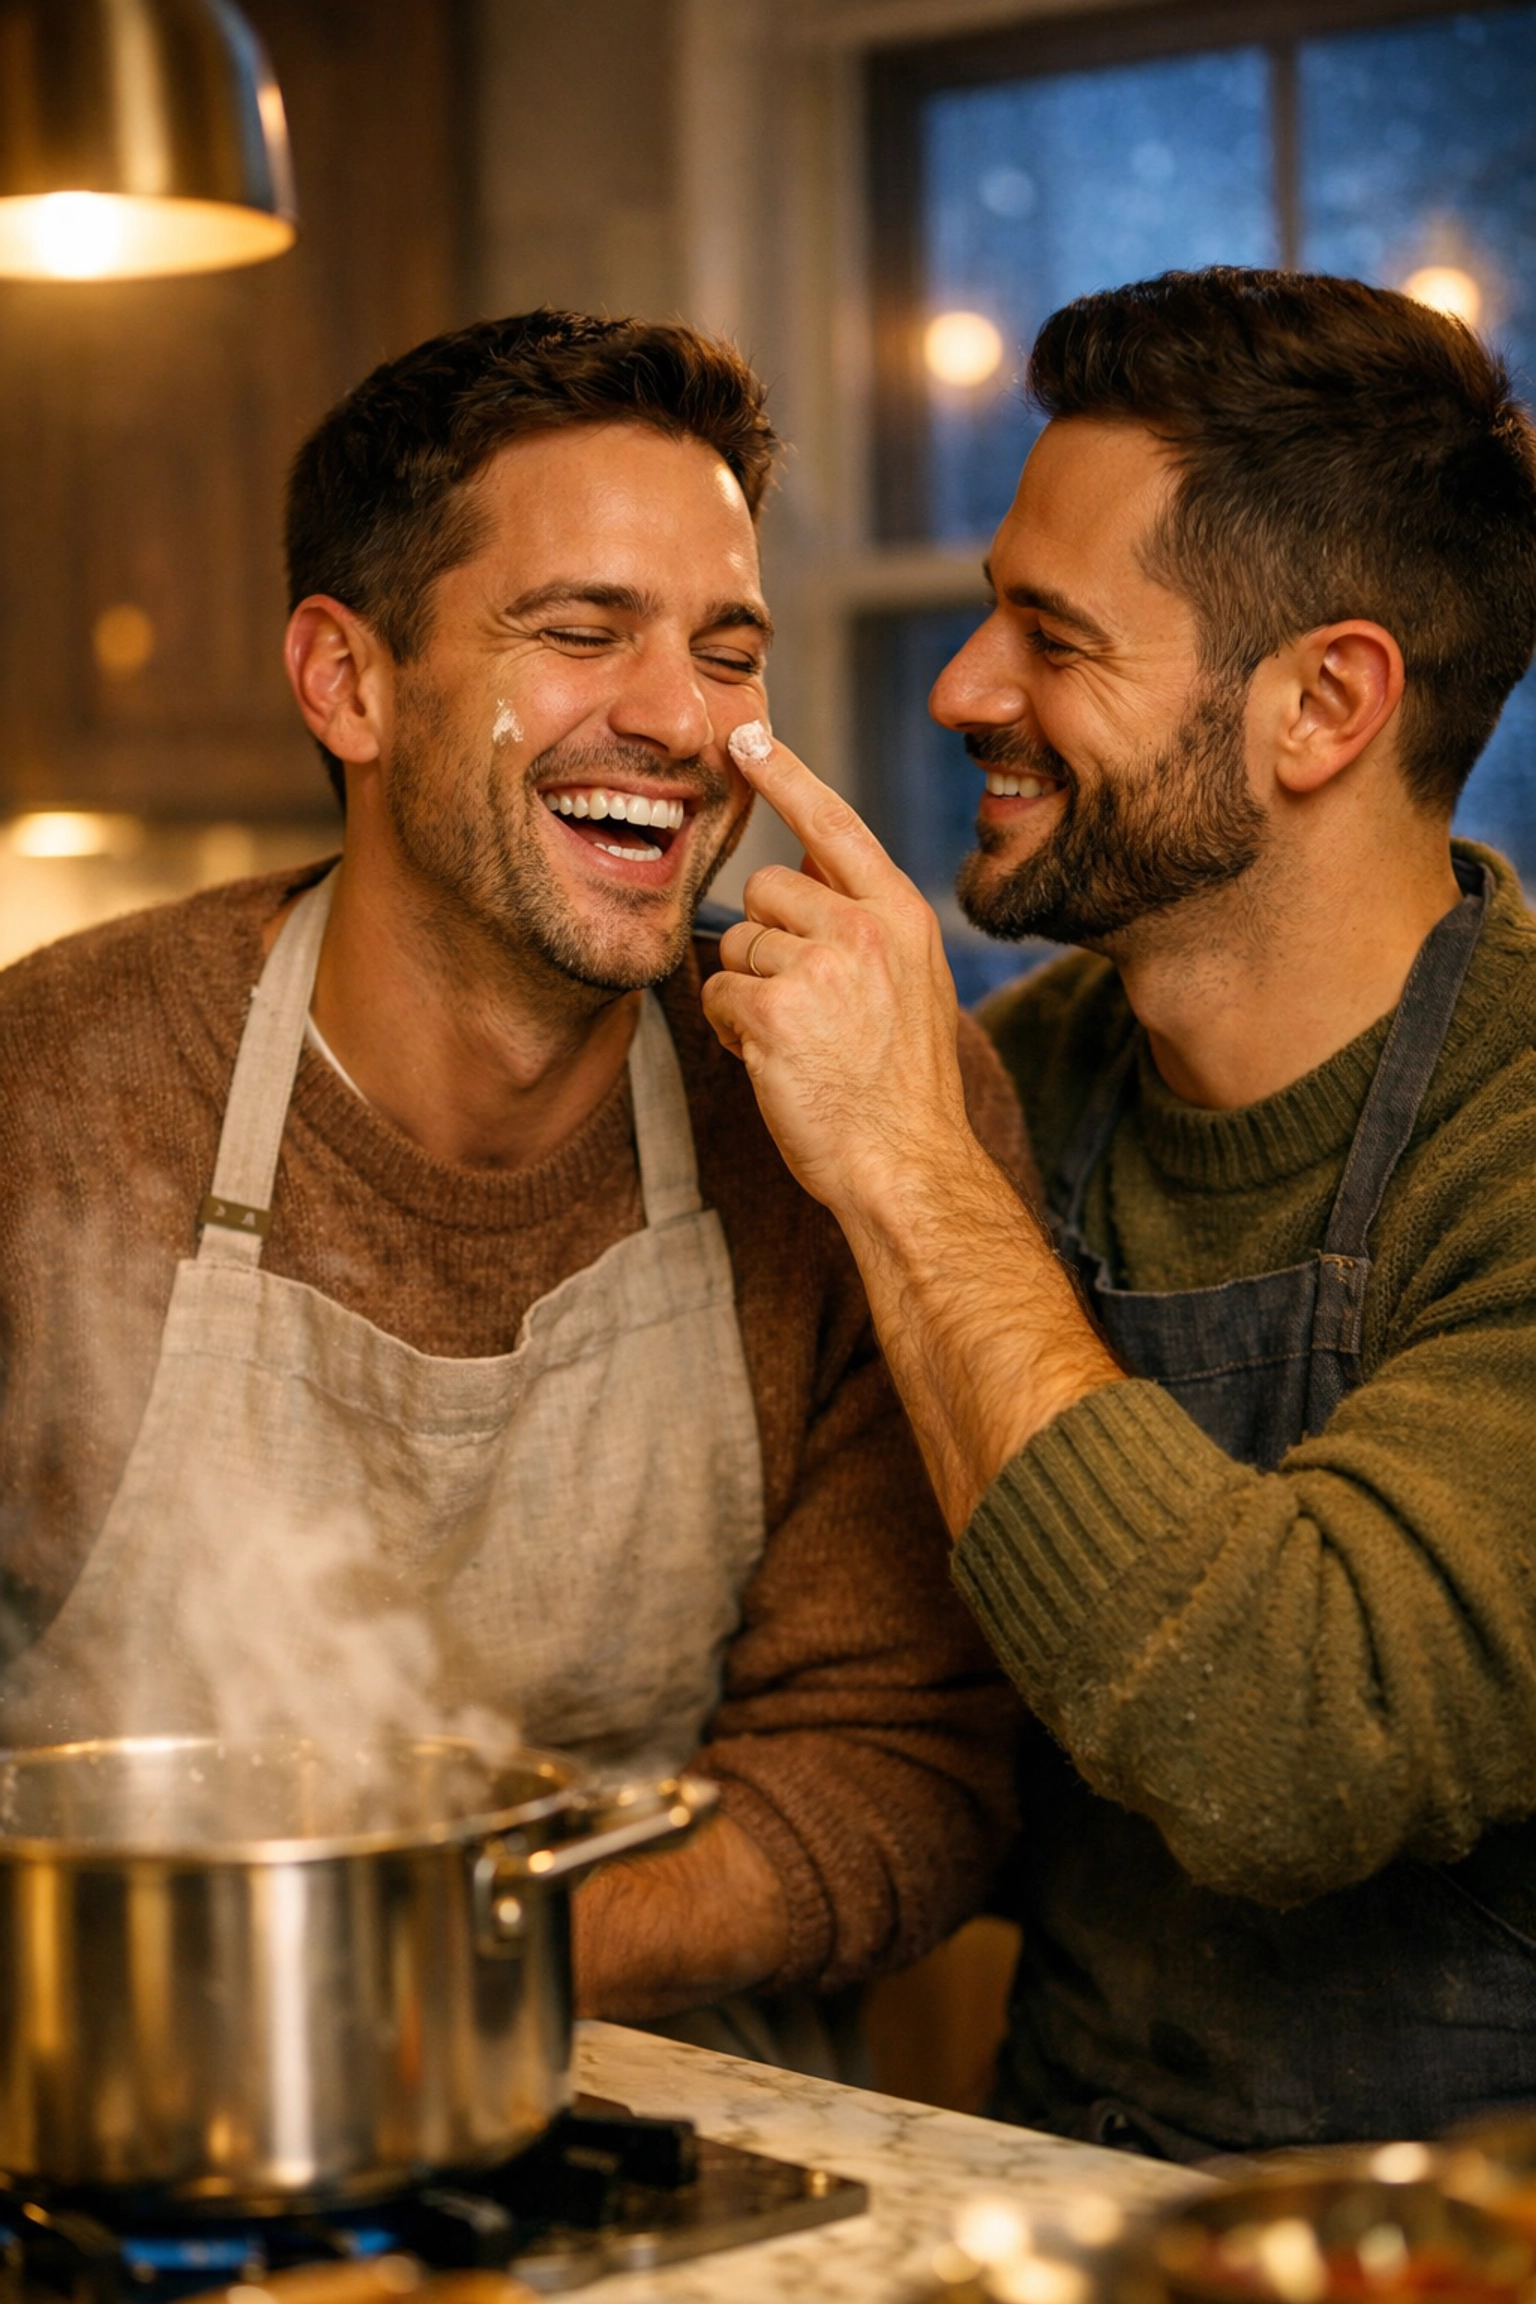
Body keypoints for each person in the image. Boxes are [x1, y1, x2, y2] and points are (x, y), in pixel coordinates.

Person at [0, 311, 1027, 2031]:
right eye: (579, 633)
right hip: (122, 2076)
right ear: (350, 681)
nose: (681, 723)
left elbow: (899, 1760)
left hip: (687, 2167)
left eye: (728, 649)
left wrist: (427, 1977)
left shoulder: (853, 1117)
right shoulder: (58, 1090)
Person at [702, 268, 1536, 2151]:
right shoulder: (1031, 1071)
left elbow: (1291, 1742)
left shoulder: (1516, 1141)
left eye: (1050, 637)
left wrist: (908, 1171)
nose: (961, 688)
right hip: (1050, 2193)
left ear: (1324, 702)